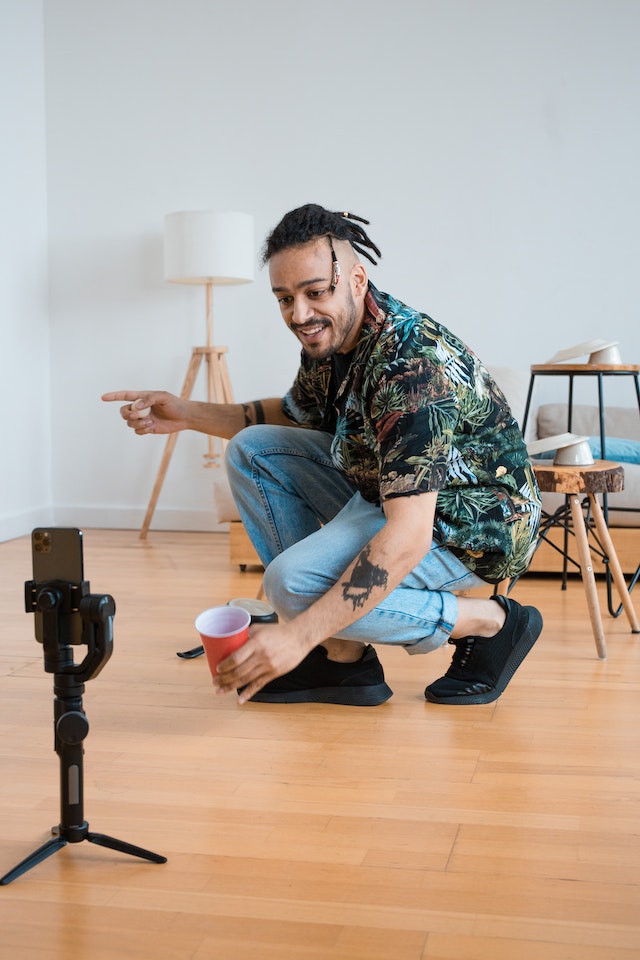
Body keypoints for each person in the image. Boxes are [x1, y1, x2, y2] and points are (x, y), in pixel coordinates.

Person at [103, 203, 543, 708]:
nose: (299, 315)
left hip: (472, 526)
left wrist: (295, 635)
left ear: (356, 280)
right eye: (285, 298)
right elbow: (293, 416)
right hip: (386, 490)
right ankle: (342, 660)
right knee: (254, 450)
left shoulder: (410, 366)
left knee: (290, 586)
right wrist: (186, 413)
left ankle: (492, 622)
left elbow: (408, 535)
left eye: (315, 293)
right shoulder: (333, 337)